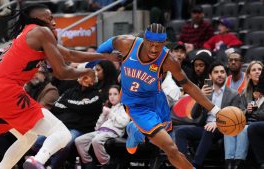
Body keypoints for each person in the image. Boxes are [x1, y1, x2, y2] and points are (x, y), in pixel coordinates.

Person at [0, 4, 119, 169]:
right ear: (38, 20)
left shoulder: (31, 34)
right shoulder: (42, 32)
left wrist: (105, 57)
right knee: (62, 134)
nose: (53, 22)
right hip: (6, 90)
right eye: (49, 18)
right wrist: (85, 72)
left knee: (27, 138)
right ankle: (37, 161)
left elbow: (70, 55)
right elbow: (61, 72)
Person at [95, 23, 221, 169]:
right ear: (144, 40)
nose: (155, 49)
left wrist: (216, 110)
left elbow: (188, 85)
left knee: (159, 137)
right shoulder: (127, 43)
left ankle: (134, 130)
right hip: (137, 106)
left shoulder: (169, 60)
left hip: (157, 101)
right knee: (171, 149)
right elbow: (102, 49)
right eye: (151, 44)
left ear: (165, 43)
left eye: (159, 45)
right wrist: (94, 63)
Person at [174, 62, 241, 169]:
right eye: (216, 72)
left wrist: (218, 122)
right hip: (205, 127)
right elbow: (194, 115)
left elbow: (236, 117)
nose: (219, 74)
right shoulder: (206, 92)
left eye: (222, 72)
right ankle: (185, 163)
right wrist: (200, 96)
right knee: (180, 132)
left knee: (209, 129)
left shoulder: (233, 94)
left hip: (224, 129)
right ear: (210, 76)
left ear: (226, 75)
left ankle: (196, 164)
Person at [75, 85, 130, 169]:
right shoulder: (109, 108)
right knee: (79, 140)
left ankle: (107, 163)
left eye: (115, 94)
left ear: (121, 95)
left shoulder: (124, 107)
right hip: (100, 131)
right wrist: (103, 115)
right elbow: (97, 127)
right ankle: (88, 163)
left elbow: (123, 123)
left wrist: (110, 113)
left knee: (96, 140)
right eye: (110, 94)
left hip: (113, 132)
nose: (112, 96)